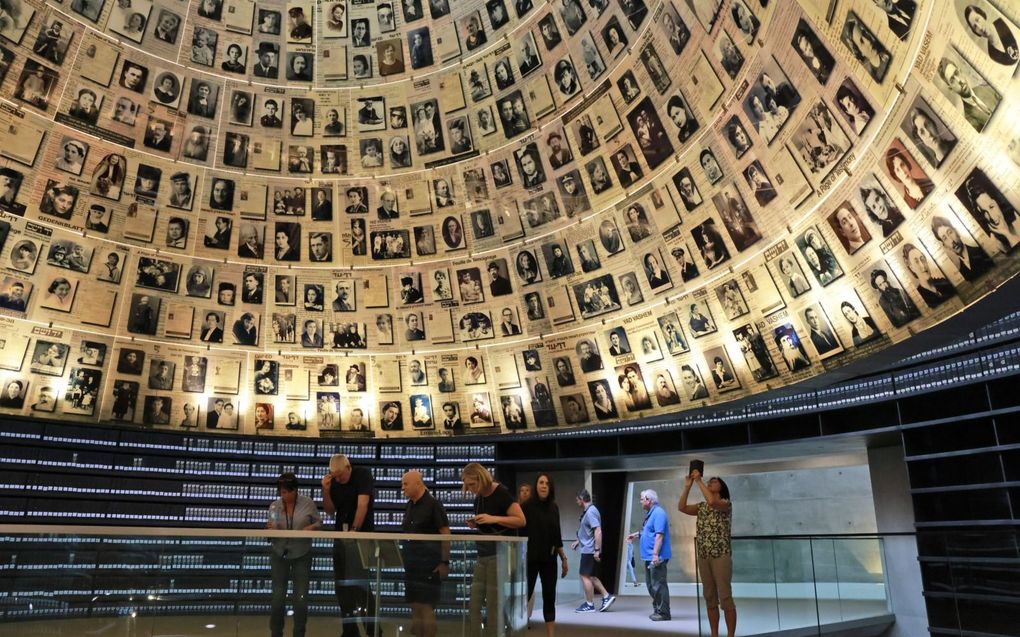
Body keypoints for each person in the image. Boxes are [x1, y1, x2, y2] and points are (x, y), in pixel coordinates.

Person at [462, 462, 526, 636]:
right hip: (482, 555)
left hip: (500, 554)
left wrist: (493, 519)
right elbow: (490, 526)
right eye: (467, 485)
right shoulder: (479, 498)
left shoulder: (501, 493)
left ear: (481, 479)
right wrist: (477, 524)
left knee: (493, 606)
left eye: (472, 484)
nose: (470, 489)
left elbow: (520, 520)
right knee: (473, 605)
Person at [321, 454, 378, 637]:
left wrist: (354, 530)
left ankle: (373, 631)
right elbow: (330, 511)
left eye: (341, 475)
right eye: (335, 477)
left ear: (348, 467)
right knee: (341, 587)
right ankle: (350, 631)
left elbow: (363, 505)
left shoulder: (362, 475)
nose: (339, 479)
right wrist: (326, 490)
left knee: (361, 587)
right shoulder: (334, 482)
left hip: (360, 538)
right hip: (341, 539)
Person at [679, 469, 735, 637]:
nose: (710, 482)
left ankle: (730, 635)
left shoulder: (725, 503)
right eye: (709, 481)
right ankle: (714, 634)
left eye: (714, 481)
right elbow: (681, 507)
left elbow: (712, 502)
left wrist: (698, 481)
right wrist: (687, 486)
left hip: (721, 555)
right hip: (704, 555)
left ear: (722, 487)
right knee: (710, 597)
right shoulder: (702, 506)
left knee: (725, 597)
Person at [267, 473, 321, 637]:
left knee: (301, 597)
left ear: (295, 490)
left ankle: (299, 633)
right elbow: (272, 526)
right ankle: (276, 633)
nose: (284, 495)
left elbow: (319, 523)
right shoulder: (275, 506)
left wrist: (310, 529)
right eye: (281, 492)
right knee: (277, 597)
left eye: (287, 492)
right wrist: (270, 529)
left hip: (302, 554)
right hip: (279, 553)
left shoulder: (308, 503)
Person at [400, 470, 451, 637]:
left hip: (429, 566)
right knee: (415, 606)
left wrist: (444, 562)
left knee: (426, 608)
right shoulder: (409, 505)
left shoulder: (434, 504)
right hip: (411, 566)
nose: (403, 488)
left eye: (406, 484)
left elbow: (445, 533)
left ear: (418, 483)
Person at [521, 474, 567, 637]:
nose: (544, 486)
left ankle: (550, 634)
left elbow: (557, 536)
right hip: (530, 560)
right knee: (523, 597)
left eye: (547, 483)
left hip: (549, 559)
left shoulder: (554, 508)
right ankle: (513, 630)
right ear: (536, 486)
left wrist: (564, 558)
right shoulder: (526, 507)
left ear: (551, 487)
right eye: (541, 482)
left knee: (550, 597)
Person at [624, 490, 671, 621]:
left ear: (648, 500)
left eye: (641, 499)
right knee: (651, 585)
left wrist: (655, 555)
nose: (640, 501)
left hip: (656, 557)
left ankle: (664, 613)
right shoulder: (651, 514)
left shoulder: (659, 513)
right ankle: (658, 609)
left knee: (658, 584)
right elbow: (648, 531)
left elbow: (659, 535)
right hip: (649, 556)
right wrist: (636, 535)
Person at [571, 489, 615, 613]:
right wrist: (578, 541)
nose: (576, 502)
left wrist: (597, 550)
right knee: (591, 575)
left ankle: (589, 604)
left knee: (584, 575)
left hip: (589, 550)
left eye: (577, 500)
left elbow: (597, 531)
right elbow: (588, 531)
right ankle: (607, 596)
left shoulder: (591, 512)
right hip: (587, 548)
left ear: (581, 499)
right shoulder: (589, 511)